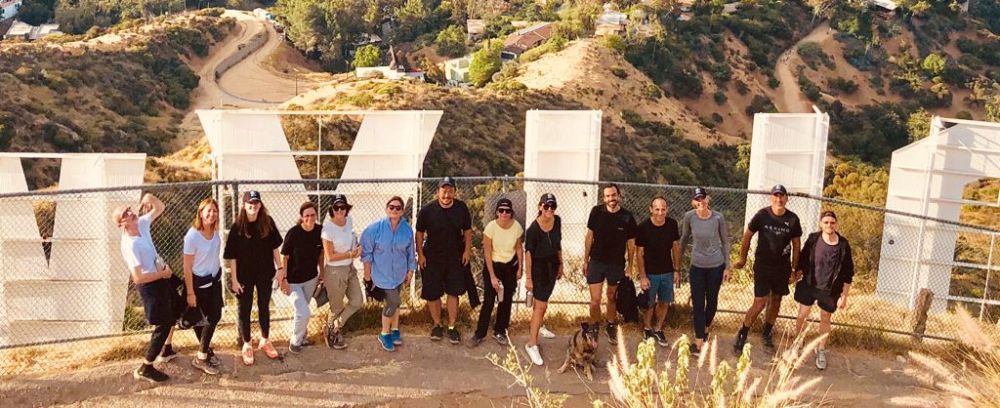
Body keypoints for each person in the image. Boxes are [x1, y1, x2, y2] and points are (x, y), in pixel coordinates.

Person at [733, 184, 802, 353]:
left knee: (776, 300)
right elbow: (747, 235)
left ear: (787, 198)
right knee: (760, 302)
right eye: (776, 195)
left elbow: (796, 244)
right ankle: (743, 333)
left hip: (782, 268)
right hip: (763, 265)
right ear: (771, 197)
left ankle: (767, 333)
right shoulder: (762, 215)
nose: (779, 199)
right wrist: (742, 259)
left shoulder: (793, 219)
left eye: (782, 196)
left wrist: (794, 269)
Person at [114, 193, 174, 383]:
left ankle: (167, 349)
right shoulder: (129, 245)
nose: (130, 213)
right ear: (121, 224)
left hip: (161, 276)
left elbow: (160, 208)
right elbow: (138, 278)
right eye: (125, 214)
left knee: (175, 309)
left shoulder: (141, 224)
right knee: (163, 324)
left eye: (129, 210)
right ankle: (146, 367)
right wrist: (163, 275)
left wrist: (149, 197)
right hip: (151, 285)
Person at [224, 190, 284, 365]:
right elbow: (232, 257)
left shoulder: (267, 222)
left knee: (264, 306)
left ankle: (265, 340)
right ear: (244, 205)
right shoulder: (237, 227)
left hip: (264, 273)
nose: (253, 206)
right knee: (245, 309)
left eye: (256, 202)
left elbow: (275, 248)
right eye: (250, 203)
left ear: (260, 204)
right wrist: (234, 279)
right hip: (244, 276)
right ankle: (247, 344)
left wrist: (280, 268)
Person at [793, 211, 854, 370]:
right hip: (809, 285)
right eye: (826, 222)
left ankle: (820, 350)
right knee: (802, 315)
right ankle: (798, 343)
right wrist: (796, 273)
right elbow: (803, 258)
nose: (829, 225)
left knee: (825, 318)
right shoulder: (813, 239)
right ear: (821, 224)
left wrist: (844, 296)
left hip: (830, 289)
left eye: (832, 222)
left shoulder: (843, 245)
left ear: (836, 224)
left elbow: (848, 272)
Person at [416, 176, 473, 344]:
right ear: (438, 191)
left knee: (453, 292)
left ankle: (452, 326)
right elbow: (419, 233)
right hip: (432, 257)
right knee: (432, 292)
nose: (447, 194)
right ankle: (437, 325)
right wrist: (420, 254)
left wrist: (467, 251)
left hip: (455, 256)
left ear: (454, 192)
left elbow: (467, 230)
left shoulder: (461, 208)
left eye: (450, 191)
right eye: (444, 190)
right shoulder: (427, 210)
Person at [679, 187, 732, 355]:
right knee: (698, 303)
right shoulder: (689, 217)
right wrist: (677, 263)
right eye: (697, 199)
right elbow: (684, 239)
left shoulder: (718, 217)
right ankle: (699, 341)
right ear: (693, 202)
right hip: (697, 266)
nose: (700, 202)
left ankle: (706, 327)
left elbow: (725, 241)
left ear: (707, 199)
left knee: (712, 301)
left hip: (716, 266)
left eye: (702, 198)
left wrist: (727, 266)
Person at [582, 183, 637, 345]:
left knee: (612, 297)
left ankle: (611, 326)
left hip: (616, 264)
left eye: (613, 195)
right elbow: (589, 237)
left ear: (618, 195)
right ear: (604, 198)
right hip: (596, 262)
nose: (611, 198)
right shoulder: (596, 212)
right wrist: (585, 260)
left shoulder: (627, 217)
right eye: (607, 196)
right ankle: (594, 327)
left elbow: (631, 244)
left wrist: (630, 266)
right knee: (595, 300)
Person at [361, 196, 417, 352]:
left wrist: (411, 270)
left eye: (398, 208)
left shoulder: (407, 230)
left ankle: (395, 329)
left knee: (396, 303)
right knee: (393, 302)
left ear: (402, 211)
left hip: (399, 274)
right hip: (382, 275)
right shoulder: (375, 229)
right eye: (391, 207)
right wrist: (367, 277)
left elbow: (411, 252)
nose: (394, 210)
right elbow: (366, 253)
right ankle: (384, 333)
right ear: (386, 209)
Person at [470, 198, 524, 347]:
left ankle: (500, 331)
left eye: (507, 211)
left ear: (511, 213)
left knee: (505, 300)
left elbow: (518, 248)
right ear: (497, 212)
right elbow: (487, 252)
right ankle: (479, 334)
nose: (504, 213)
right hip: (493, 265)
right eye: (501, 210)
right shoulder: (491, 227)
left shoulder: (516, 227)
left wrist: (520, 267)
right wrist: (493, 277)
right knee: (489, 300)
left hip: (510, 266)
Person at [182, 198, 223, 375]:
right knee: (205, 319)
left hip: (214, 282)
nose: (212, 214)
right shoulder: (192, 236)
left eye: (215, 210)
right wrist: (190, 292)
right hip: (199, 284)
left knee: (213, 316)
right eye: (208, 211)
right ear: (200, 213)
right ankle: (201, 357)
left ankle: (204, 351)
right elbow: (187, 267)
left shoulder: (215, 231)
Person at [636, 196, 681, 348]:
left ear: (667, 210)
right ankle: (647, 328)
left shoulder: (672, 224)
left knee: (664, 301)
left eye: (663, 209)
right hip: (650, 272)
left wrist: (677, 270)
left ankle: (658, 329)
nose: (660, 213)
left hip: (667, 271)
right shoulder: (643, 227)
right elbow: (639, 253)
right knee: (649, 303)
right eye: (657, 209)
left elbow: (675, 247)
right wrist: (643, 276)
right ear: (651, 209)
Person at [523, 193, 563, 366]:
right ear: (540, 207)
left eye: (552, 206)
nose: (549, 209)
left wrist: (561, 264)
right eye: (546, 206)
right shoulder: (533, 229)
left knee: (541, 305)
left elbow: (558, 244)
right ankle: (532, 344)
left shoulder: (557, 221)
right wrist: (529, 278)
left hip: (552, 267)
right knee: (541, 306)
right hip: (538, 269)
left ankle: (538, 327)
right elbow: (528, 254)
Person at [280, 201, 324, 353]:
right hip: (293, 282)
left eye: (313, 215)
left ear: (316, 215)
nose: (310, 218)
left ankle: (303, 337)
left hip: (311, 279)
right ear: (301, 217)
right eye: (306, 215)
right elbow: (284, 257)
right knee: (304, 312)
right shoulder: (293, 233)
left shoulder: (320, 231)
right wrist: (284, 279)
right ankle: (295, 342)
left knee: (301, 311)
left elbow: (321, 254)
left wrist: (322, 273)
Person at [320, 194, 363, 350]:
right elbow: (330, 256)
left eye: (342, 207)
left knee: (357, 301)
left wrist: (357, 248)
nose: (339, 210)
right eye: (336, 207)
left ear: (346, 208)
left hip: (349, 268)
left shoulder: (349, 220)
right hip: (335, 271)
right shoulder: (328, 229)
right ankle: (332, 334)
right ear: (332, 209)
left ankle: (335, 325)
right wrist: (350, 254)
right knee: (336, 307)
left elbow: (352, 239)